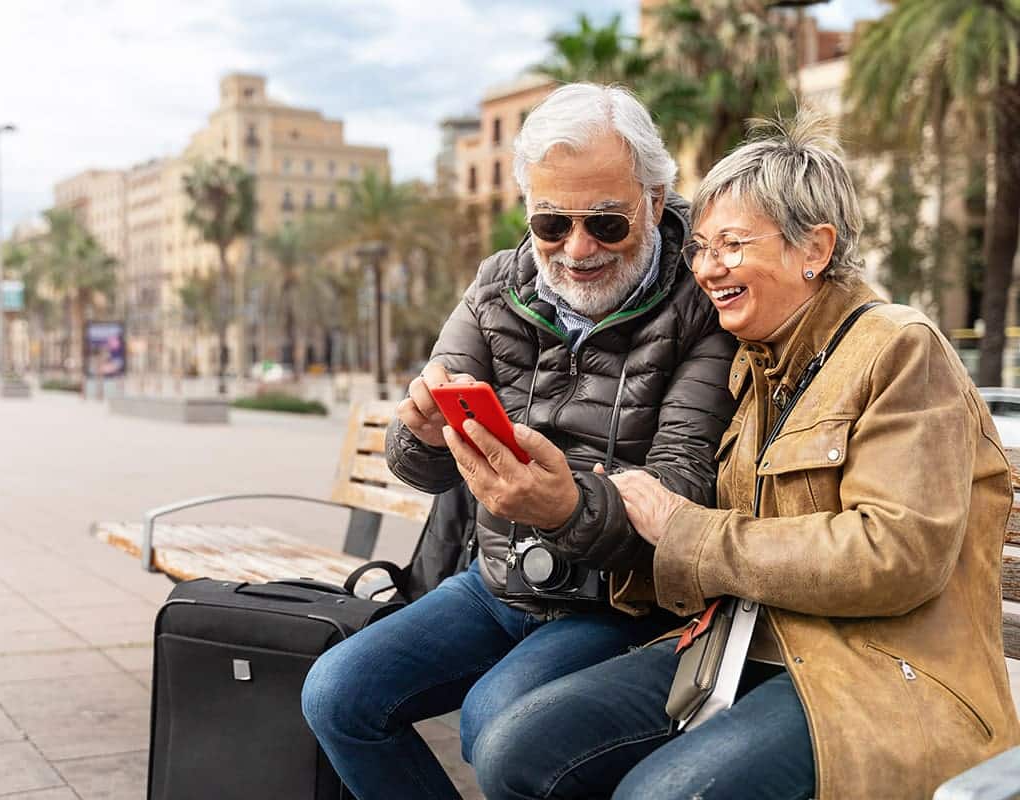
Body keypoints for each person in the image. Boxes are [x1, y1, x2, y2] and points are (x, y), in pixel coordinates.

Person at [470, 111, 1020, 800]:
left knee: (663, 795)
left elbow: (896, 555)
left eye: (731, 245)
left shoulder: (900, 349)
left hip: (881, 677)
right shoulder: (755, 364)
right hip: (744, 647)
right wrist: (585, 512)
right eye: (699, 247)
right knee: (514, 748)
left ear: (813, 248)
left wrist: (686, 531)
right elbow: (702, 523)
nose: (705, 269)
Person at [301, 83, 737, 799]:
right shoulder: (498, 285)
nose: (576, 248)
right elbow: (419, 467)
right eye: (550, 222)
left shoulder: (699, 305)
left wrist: (565, 508)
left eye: (606, 223)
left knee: (494, 720)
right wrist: (420, 433)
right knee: (336, 695)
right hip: (495, 581)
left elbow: (681, 486)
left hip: (620, 602)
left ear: (656, 202)